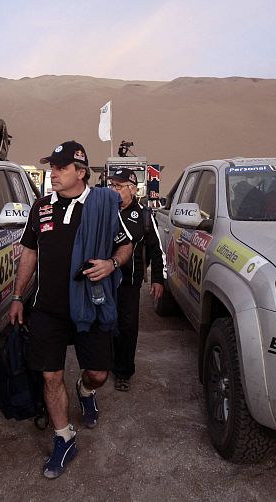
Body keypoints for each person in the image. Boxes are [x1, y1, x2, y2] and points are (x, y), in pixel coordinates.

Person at [9, 140, 132, 480]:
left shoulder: (103, 205)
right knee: (50, 375)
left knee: (98, 373)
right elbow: (29, 253)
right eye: (52, 167)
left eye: (61, 168)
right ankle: (64, 438)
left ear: (81, 172)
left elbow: (125, 245)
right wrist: (18, 296)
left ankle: (86, 391)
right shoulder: (41, 207)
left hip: (90, 306)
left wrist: (111, 264)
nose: (53, 174)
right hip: (47, 309)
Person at [108, 168, 166, 392]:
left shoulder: (144, 215)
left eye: (119, 186)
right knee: (104, 323)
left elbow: (156, 250)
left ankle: (123, 372)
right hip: (103, 279)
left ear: (132, 189)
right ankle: (103, 365)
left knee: (127, 327)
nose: (114, 190)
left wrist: (158, 279)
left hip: (130, 282)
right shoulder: (105, 210)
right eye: (112, 186)